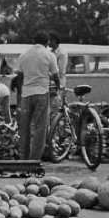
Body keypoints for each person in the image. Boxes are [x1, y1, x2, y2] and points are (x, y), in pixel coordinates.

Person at [17, 31, 59, 160]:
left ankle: (23, 158)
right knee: (40, 128)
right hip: (42, 93)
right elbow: (56, 75)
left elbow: (20, 76)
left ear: (33, 41)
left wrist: (20, 94)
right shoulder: (49, 55)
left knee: (24, 127)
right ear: (47, 42)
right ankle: (34, 159)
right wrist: (58, 88)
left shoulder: (23, 55)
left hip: (26, 94)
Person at [48, 32, 68, 109]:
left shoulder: (62, 53)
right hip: (50, 83)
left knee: (57, 105)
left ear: (54, 40)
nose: (48, 42)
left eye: (50, 40)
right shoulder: (49, 52)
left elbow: (61, 71)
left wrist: (47, 74)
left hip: (59, 83)